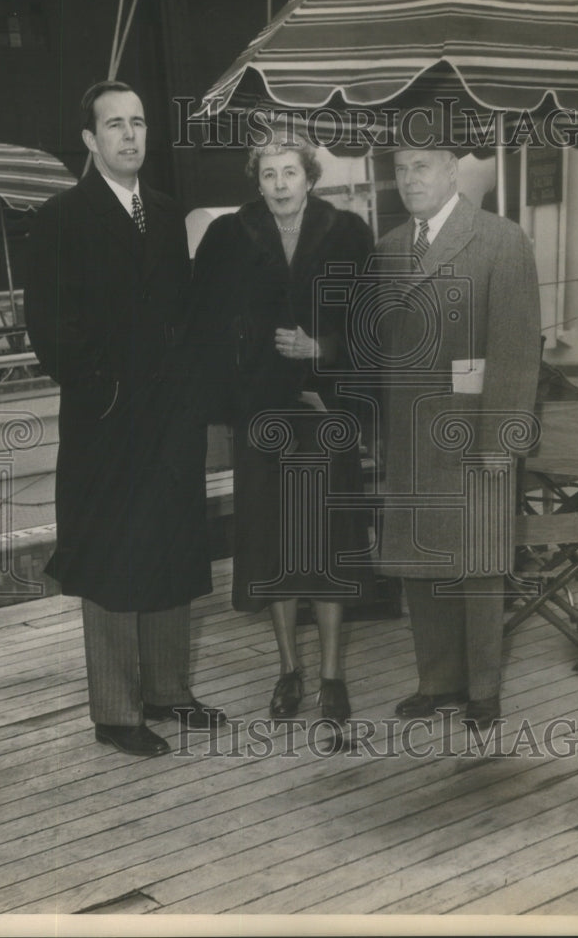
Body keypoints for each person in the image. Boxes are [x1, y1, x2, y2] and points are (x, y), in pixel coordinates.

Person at [24, 80, 225, 757]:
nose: (130, 135)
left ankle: (168, 690)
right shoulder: (62, 218)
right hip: (106, 418)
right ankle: (115, 710)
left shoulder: (166, 213)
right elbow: (49, 324)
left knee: (172, 544)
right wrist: (101, 388)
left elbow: (188, 312)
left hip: (170, 414)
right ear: (89, 140)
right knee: (112, 553)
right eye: (115, 125)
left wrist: (192, 390)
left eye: (139, 122)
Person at [190, 121, 375, 722]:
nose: (278, 184)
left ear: (310, 175)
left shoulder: (348, 232)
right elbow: (208, 328)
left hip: (326, 413)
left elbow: (373, 327)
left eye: (289, 171)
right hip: (262, 417)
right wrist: (238, 394)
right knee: (272, 543)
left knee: (328, 542)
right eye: (267, 174)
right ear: (257, 180)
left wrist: (321, 350)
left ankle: (331, 676)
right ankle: (288, 672)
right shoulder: (226, 235)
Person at [376, 139, 541, 729]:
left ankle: (484, 691)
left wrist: (502, 437)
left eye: (421, 167)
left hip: (476, 432)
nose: (408, 179)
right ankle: (438, 682)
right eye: (399, 170)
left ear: (451, 171)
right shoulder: (391, 248)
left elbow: (518, 350)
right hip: (412, 434)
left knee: (478, 563)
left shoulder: (500, 239)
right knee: (422, 561)